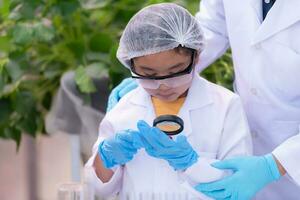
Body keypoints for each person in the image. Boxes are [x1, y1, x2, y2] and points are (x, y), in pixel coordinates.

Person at [108, 0, 300, 199]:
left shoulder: (224, 106)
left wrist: (276, 164)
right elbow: (210, 28)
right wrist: (165, 74)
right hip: (251, 149)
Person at [85, 3, 252, 199]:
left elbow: (238, 185)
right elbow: (96, 189)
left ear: (196, 57)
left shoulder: (226, 106)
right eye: (149, 74)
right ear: (130, 64)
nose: (163, 85)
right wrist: (106, 159)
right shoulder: (124, 108)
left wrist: (193, 164)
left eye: (175, 72)